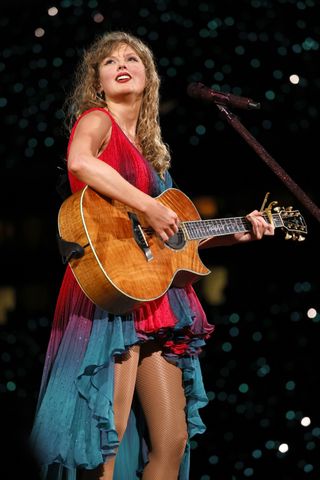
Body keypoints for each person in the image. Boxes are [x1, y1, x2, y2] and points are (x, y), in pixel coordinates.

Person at [30, 30, 274, 480]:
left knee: (173, 438)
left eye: (132, 58)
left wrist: (239, 232)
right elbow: (81, 163)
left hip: (156, 297)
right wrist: (147, 204)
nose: (121, 63)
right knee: (111, 431)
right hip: (112, 292)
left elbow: (174, 238)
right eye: (109, 61)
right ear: (97, 81)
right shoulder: (96, 119)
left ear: (149, 76)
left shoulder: (155, 157)